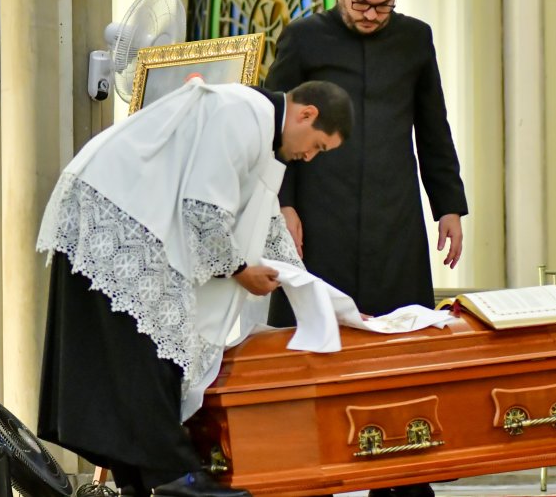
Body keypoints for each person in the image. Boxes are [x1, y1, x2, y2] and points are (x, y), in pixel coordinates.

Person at [36, 78, 353, 497]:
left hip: (120, 211)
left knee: (133, 358)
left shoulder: (257, 132)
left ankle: (141, 478)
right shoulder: (243, 114)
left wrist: (339, 309)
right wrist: (241, 270)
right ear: (305, 114)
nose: (310, 157)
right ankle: (176, 479)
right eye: (317, 146)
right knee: (142, 356)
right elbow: (202, 210)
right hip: (112, 213)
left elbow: (269, 231)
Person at [264, 0, 466, 497]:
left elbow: (433, 124)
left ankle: (400, 476)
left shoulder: (414, 38)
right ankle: (307, 475)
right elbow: (276, 125)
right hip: (317, 215)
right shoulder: (305, 37)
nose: (372, 15)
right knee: (312, 345)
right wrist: (282, 204)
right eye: (361, 4)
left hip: (392, 215)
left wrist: (447, 205)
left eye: (383, 5)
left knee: (398, 346)